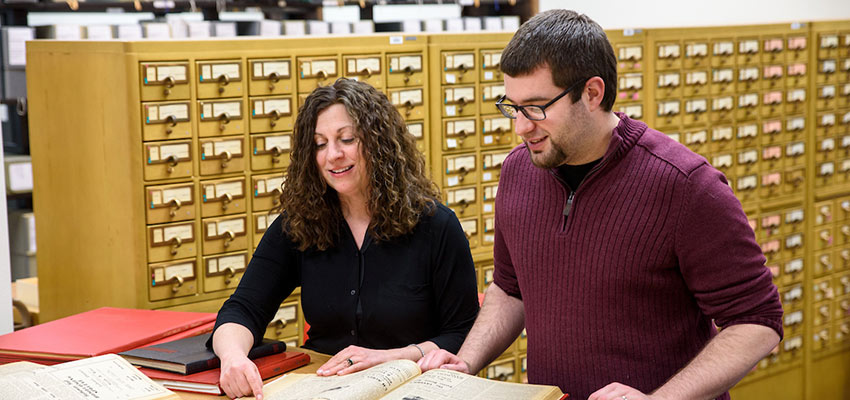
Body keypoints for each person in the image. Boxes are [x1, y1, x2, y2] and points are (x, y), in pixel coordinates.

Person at [418, 9, 783, 400]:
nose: (521, 127)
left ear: (592, 93)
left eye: (537, 107)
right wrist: (466, 360)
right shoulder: (517, 171)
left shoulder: (686, 184)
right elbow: (511, 289)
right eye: (513, 107)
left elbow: (756, 321)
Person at [211, 78, 480, 400]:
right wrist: (233, 358)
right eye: (320, 144)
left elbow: (462, 332)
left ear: (379, 143)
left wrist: (397, 355)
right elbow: (243, 308)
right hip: (322, 384)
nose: (333, 155)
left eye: (347, 139)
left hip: (411, 387)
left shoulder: (436, 225)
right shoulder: (300, 223)